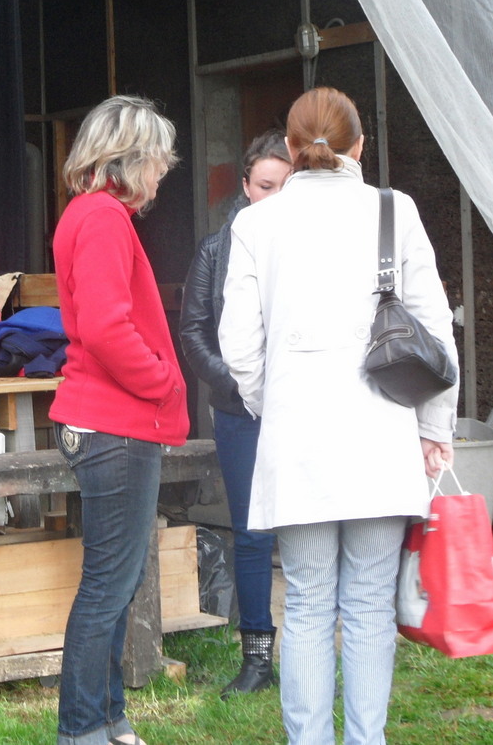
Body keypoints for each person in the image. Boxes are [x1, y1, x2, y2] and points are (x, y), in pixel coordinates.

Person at [218, 87, 457, 745]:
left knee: (306, 603)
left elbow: (237, 344)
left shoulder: (256, 223)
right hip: (381, 431)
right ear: (360, 145)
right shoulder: (394, 209)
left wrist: (273, 403)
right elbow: (435, 332)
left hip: (297, 439)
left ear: (291, 149)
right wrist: (434, 427)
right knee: (370, 604)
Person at [50, 96, 189, 745]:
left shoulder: (89, 213)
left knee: (114, 583)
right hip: (116, 424)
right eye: (158, 159)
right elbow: (107, 328)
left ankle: (108, 720)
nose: (162, 173)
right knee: (109, 586)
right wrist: (163, 381)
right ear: (131, 159)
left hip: (102, 422)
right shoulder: (104, 217)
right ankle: (84, 730)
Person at [179, 129, 291, 698]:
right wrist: (237, 384)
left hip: (302, 407)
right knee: (251, 532)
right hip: (239, 409)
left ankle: (314, 651)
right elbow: (193, 332)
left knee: (312, 529)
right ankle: (257, 658)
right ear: (246, 186)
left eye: (286, 186)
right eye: (265, 185)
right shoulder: (215, 248)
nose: (274, 197)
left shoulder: (313, 246)